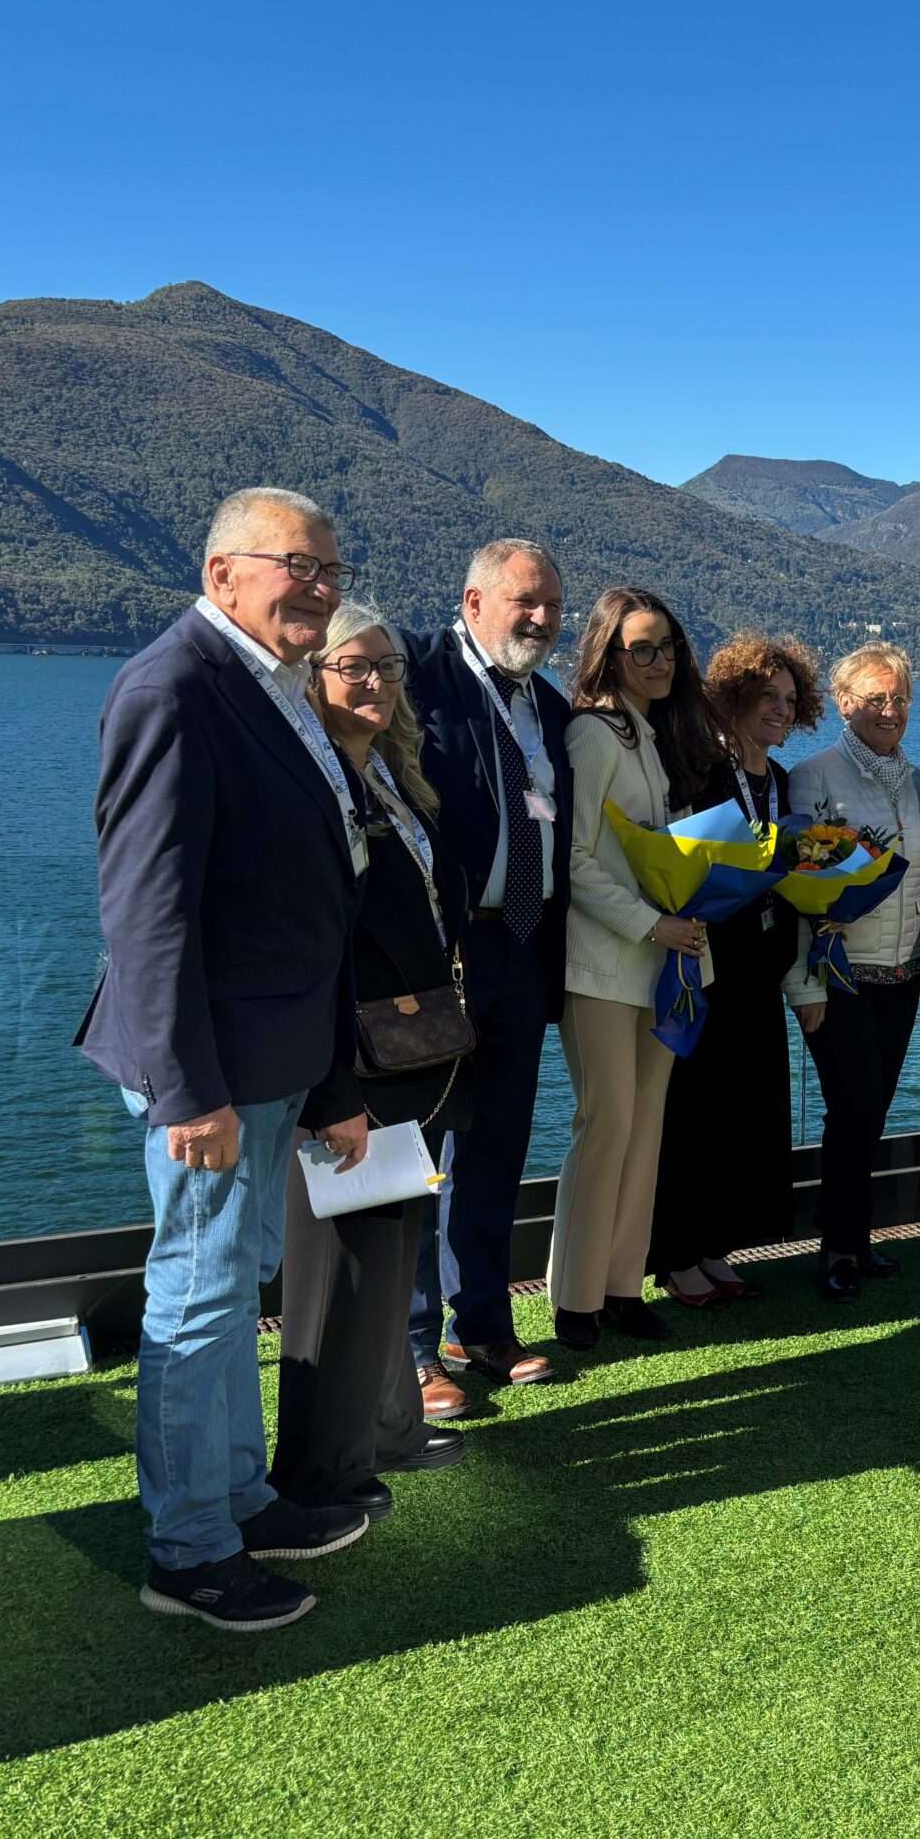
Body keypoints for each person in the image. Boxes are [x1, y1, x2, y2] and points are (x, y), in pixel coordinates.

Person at [77, 486, 372, 1632]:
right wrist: (184, 1089)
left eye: (328, 570)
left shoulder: (270, 685)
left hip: (271, 1056)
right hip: (210, 1069)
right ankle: (189, 1550)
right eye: (295, 565)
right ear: (221, 574)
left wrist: (326, 1079)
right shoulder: (172, 687)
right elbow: (146, 912)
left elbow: (308, 890)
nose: (318, 586)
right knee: (198, 1296)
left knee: (233, 1283)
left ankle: (238, 1495)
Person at [272, 604, 475, 1523]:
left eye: (387, 668)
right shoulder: (307, 782)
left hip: (410, 1058)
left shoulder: (391, 777)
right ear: (312, 676)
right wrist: (329, 1085)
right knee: (339, 1274)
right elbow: (310, 947)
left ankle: (390, 1431)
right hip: (345, 1066)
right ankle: (322, 1471)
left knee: (393, 1254)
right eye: (352, 667)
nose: (375, 684)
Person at [403, 539, 573, 1411]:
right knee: (420, 1150)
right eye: (524, 603)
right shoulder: (417, 678)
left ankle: (482, 1323)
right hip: (442, 955)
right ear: (473, 603)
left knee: (498, 1146)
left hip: (521, 950)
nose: (541, 620)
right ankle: (411, 1347)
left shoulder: (545, 703)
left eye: (550, 605)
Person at [548, 589, 713, 1350]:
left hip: (661, 961)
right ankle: (573, 1300)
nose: (658, 662)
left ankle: (621, 1286)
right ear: (608, 653)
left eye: (667, 648)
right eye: (641, 648)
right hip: (603, 966)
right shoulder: (592, 735)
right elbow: (574, 860)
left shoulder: (650, 735)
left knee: (645, 1130)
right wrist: (653, 920)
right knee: (605, 1125)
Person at [652, 633, 823, 1304]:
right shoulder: (702, 771)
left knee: (742, 1118)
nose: (779, 711)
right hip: (704, 968)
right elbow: (680, 864)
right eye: (766, 698)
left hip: (761, 974)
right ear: (733, 697)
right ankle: (675, 1257)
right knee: (691, 1116)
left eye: (789, 700)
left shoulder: (780, 783)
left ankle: (717, 1247)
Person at [784, 644, 920, 1301]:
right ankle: (838, 1247)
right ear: (844, 703)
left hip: (903, 975)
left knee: (870, 1113)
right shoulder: (813, 779)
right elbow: (798, 895)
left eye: (898, 698)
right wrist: (804, 986)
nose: (889, 710)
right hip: (839, 976)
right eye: (875, 699)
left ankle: (857, 1239)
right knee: (854, 1109)